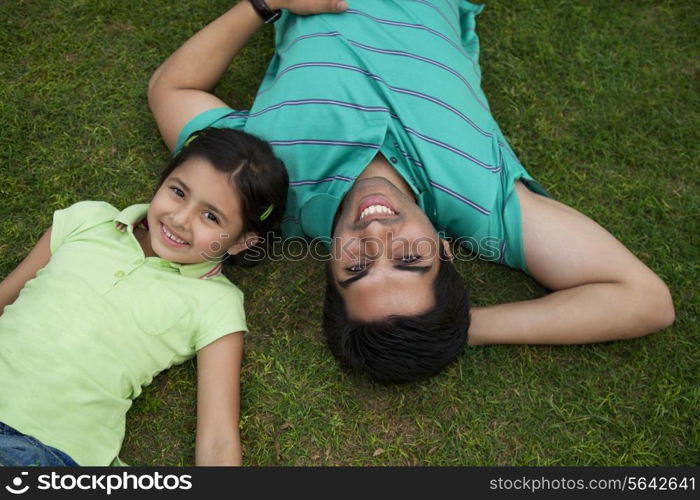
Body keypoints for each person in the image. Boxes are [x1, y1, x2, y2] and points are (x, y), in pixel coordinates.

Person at [148, 0, 674, 384]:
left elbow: (170, 91)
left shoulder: (269, 187)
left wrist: (266, 3)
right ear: (447, 250)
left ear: (329, 268)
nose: (375, 234)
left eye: (356, 268)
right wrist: (460, 329)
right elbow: (645, 301)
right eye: (409, 259)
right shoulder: (481, 203)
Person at [0, 127, 288, 465]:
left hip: (50, 450)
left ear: (241, 241)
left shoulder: (216, 303)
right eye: (178, 192)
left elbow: (218, 440)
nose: (180, 219)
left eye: (210, 216)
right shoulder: (89, 219)